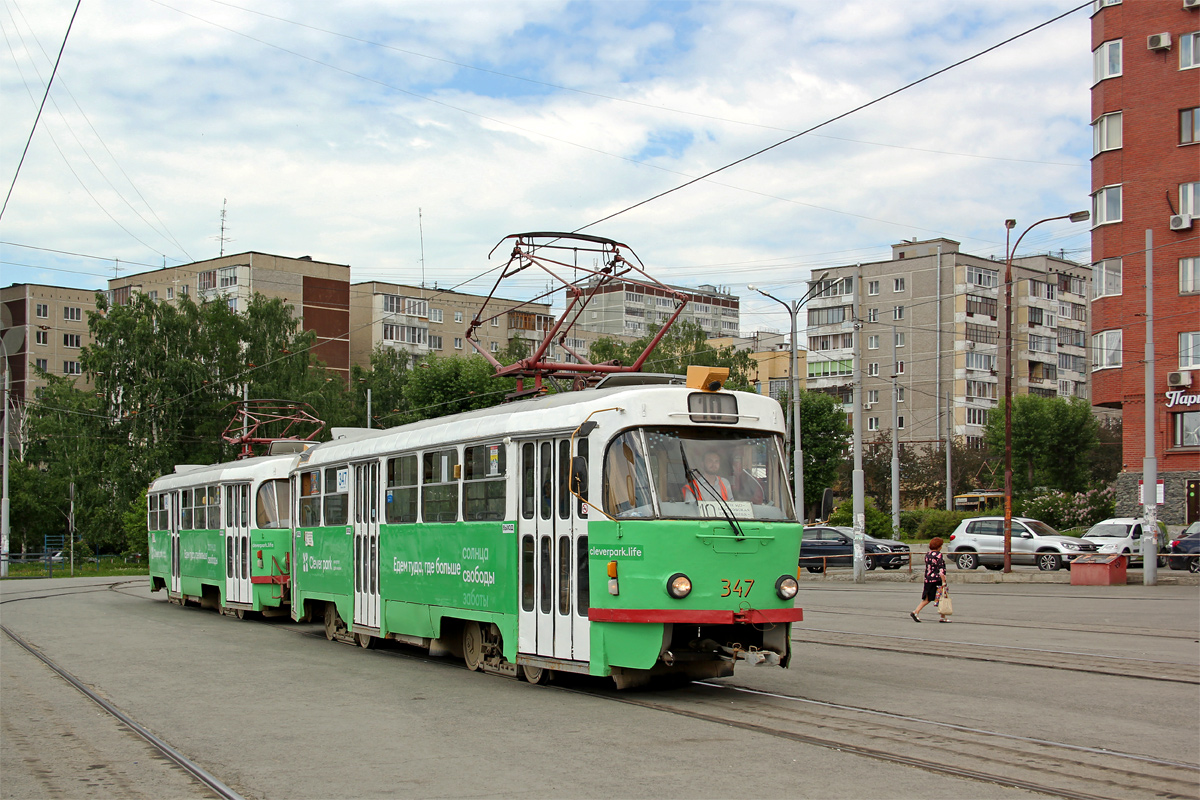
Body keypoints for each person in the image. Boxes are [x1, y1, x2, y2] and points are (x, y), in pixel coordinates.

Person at [911, 537, 949, 623]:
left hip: (928, 579)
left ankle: (943, 616)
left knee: (928, 597)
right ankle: (916, 612)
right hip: (937, 579)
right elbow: (941, 569)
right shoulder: (938, 555)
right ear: (939, 546)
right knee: (940, 597)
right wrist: (943, 581)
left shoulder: (928, 554)